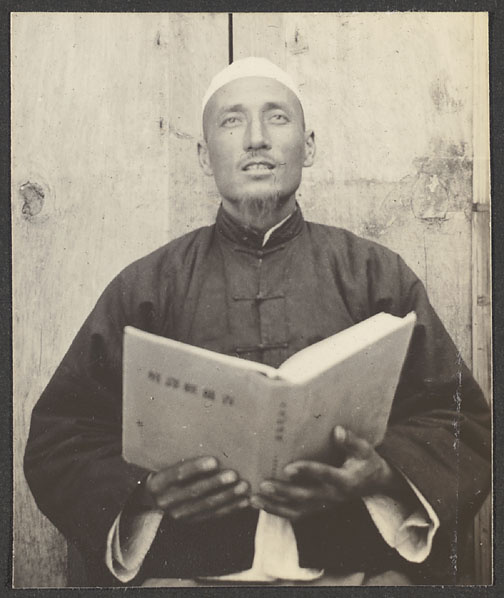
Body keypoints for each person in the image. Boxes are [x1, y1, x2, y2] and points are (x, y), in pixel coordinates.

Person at [24, 57, 491, 587]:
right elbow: (61, 439)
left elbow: (462, 423)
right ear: (205, 155)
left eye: (276, 118)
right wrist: (147, 492)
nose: (255, 139)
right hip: (189, 577)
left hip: (353, 573)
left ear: (308, 146)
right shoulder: (147, 287)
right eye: (231, 121)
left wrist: (381, 475)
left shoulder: (375, 275)